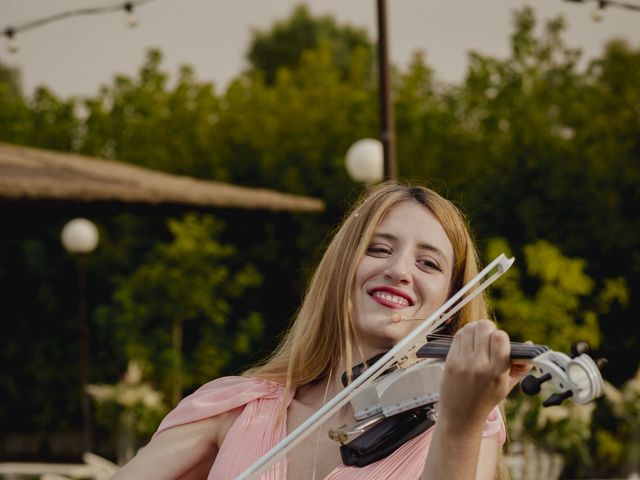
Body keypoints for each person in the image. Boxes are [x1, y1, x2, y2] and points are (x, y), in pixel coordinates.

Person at [111, 183, 529, 480]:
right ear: (340, 269)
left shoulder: (467, 418)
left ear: (448, 303)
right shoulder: (239, 405)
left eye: (428, 264)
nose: (399, 270)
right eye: (379, 249)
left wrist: (460, 420)